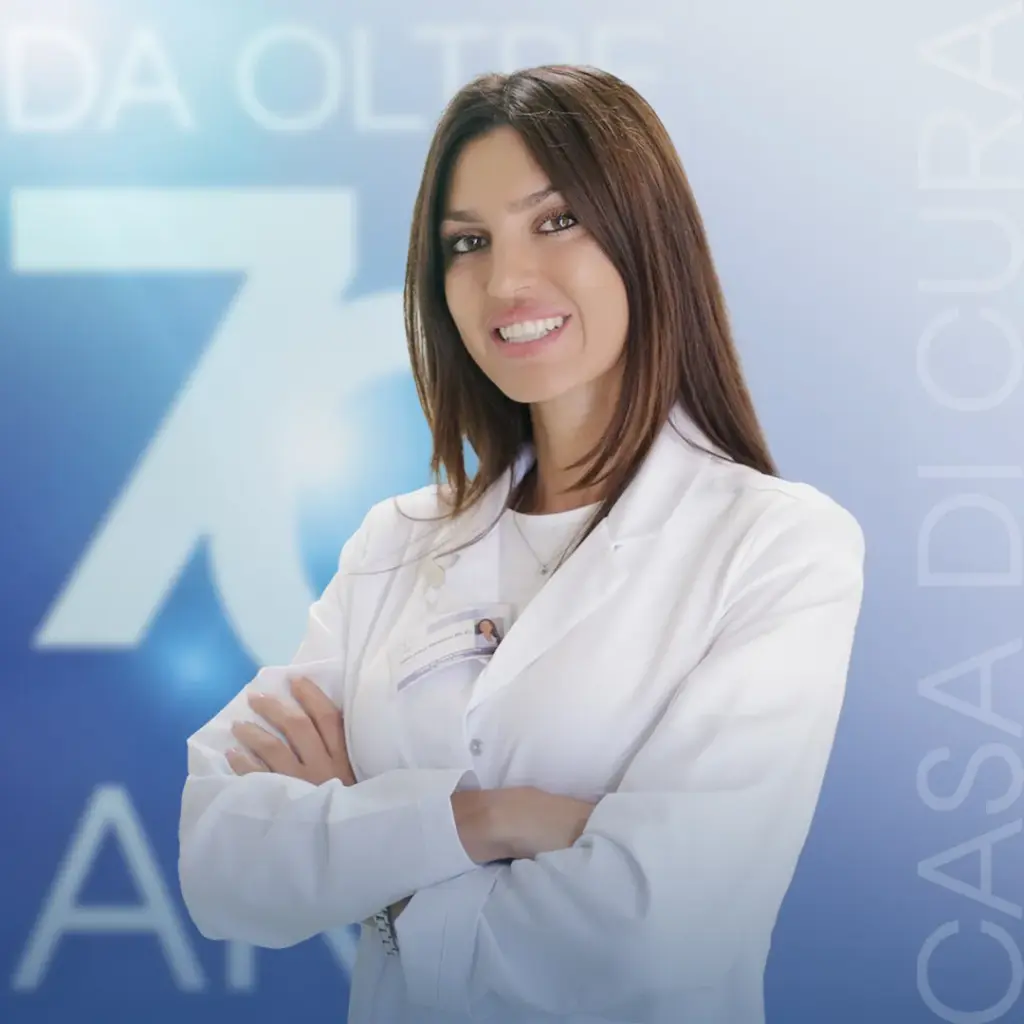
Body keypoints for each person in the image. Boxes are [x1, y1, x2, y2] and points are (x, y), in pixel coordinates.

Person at [178, 64, 866, 1024]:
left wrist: (372, 859)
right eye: (468, 242)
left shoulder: (779, 546)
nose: (505, 282)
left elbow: (652, 938)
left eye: (557, 220)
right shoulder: (395, 544)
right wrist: (485, 820)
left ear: (648, 236)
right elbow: (224, 862)